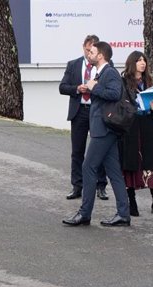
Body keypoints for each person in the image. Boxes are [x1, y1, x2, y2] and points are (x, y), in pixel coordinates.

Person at [63, 41, 131, 227]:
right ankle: (123, 214)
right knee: (114, 172)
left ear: (100, 55)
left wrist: (94, 87)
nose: (89, 54)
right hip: (104, 128)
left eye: (92, 52)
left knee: (88, 167)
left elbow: (115, 93)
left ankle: (84, 214)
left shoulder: (109, 73)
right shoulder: (102, 73)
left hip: (104, 129)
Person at [59, 34, 109, 201]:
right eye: (87, 49)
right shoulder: (73, 65)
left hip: (97, 111)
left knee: (100, 150)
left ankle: (101, 186)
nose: (89, 53)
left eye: (93, 50)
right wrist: (76, 89)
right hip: (79, 111)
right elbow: (62, 87)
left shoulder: (104, 67)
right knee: (77, 151)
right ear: (83, 47)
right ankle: (77, 186)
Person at [119, 50, 153, 217]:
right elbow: (121, 105)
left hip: (147, 126)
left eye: (144, 60)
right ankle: (132, 203)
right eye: (139, 60)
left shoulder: (149, 82)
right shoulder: (124, 81)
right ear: (132, 62)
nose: (142, 63)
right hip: (131, 127)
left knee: (151, 162)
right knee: (131, 163)